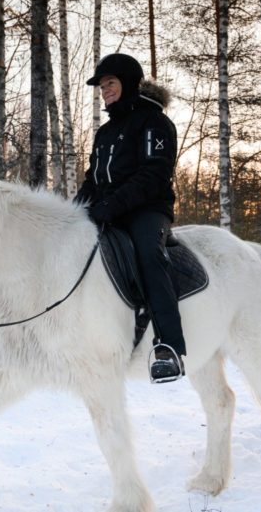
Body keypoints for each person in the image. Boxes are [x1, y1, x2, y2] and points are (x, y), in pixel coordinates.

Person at [73, 53, 185, 382]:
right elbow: (93, 181)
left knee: (148, 253)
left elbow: (153, 175)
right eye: (101, 85)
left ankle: (169, 348)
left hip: (148, 210)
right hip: (108, 210)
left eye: (110, 83)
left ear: (129, 84)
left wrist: (109, 208)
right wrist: (72, 213)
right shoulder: (105, 133)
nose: (104, 90)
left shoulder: (154, 122)